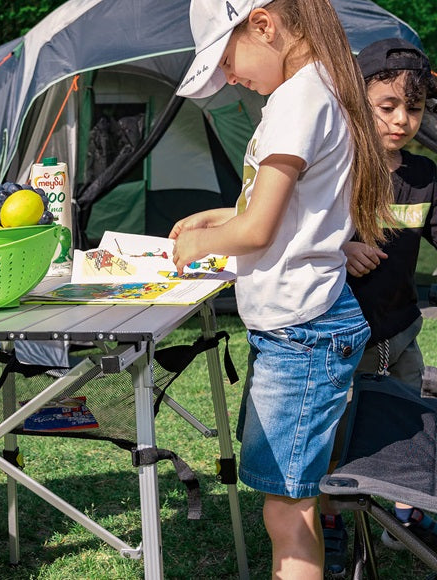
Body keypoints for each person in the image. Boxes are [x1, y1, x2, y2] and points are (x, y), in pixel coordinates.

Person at [173, 0, 392, 577]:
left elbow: (258, 228)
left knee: (287, 511)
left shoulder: (297, 99)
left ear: (264, 25)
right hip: (305, 326)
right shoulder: (319, 88)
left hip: (303, 331)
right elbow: (294, 211)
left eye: (225, 59)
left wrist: (198, 246)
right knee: (291, 499)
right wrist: (215, 218)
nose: (227, 77)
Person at [318, 38, 437, 576]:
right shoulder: (337, 168)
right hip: (341, 337)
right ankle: (333, 526)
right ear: (356, 104)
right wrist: (339, 248)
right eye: (386, 107)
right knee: (340, 441)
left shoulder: (424, 177)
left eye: (413, 109)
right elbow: (302, 232)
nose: (401, 120)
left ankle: (405, 517)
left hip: (402, 330)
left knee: (403, 427)